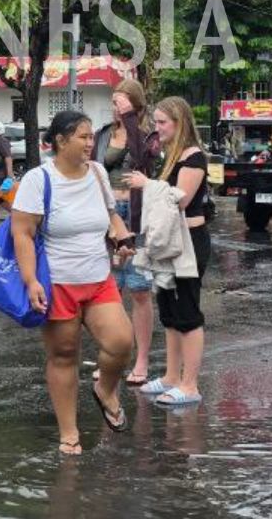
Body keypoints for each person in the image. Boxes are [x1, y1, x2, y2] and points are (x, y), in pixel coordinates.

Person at [10, 109, 136, 455]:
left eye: (91, 136)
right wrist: (30, 280)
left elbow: (110, 216)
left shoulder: (97, 173)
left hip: (98, 279)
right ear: (61, 141)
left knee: (121, 341)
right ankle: (69, 433)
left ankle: (105, 390)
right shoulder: (38, 180)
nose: (90, 143)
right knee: (64, 355)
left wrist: (122, 238)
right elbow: (22, 233)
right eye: (83, 137)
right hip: (58, 284)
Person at [125, 96, 212, 407]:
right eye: (156, 122)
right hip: (170, 243)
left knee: (187, 312)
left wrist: (147, 184)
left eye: (162, 122)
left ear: (179, 122)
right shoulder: (172, 156)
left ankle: (190, 384)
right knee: (170, 313)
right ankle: (172, 377)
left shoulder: (194, 157)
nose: (157, 128)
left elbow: (181, 199)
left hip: (188, 242)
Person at [94, 80, 158, 386]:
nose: (116, 108)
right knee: (110, 289)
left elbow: (143, 160)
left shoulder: (147, 135)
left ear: (136, 104)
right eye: (114, 102)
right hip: (107, 214)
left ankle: (142, 361)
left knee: (140, 289)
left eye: (122, 102)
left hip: (136, 213)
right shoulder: (103, 134)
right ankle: (112, 358)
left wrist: (131, 120)